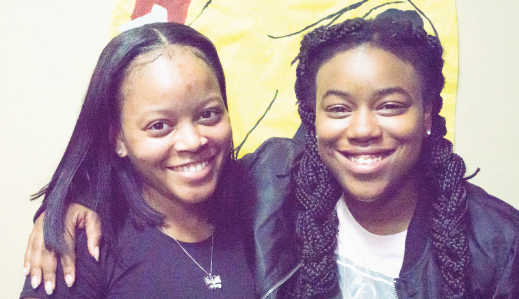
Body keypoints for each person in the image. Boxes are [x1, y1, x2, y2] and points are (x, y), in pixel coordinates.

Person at [23, 9, 519, 299]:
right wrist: (67, 201)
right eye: (339, 108)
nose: (363, 129)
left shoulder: (498, 244)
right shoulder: (278, 181)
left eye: (209, 115)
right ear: (313, 118)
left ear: (430, 112)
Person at [20, 22, 254, 298]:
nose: (192, 141)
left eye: (208, 114)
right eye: (159, 125)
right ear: (118, 138)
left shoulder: (265, 211)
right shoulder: (85, 245)